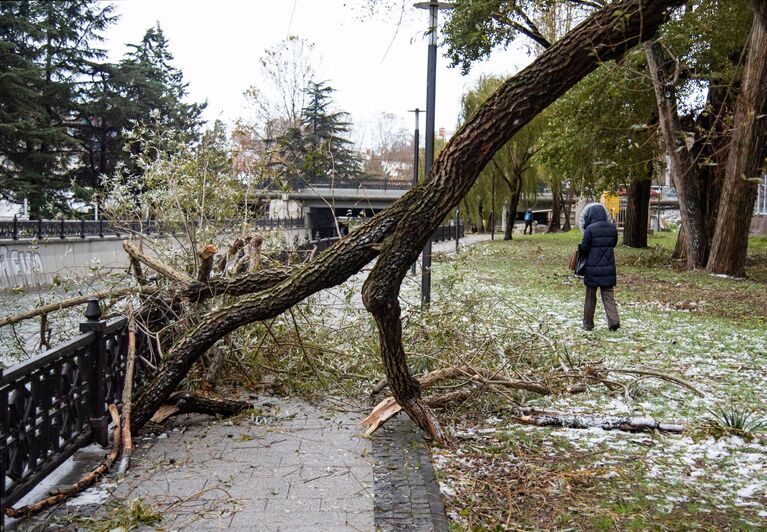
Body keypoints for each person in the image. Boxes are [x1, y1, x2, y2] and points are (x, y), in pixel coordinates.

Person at [578, 202, 620, 331]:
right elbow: (613, 244)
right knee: (608, 296)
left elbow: (584, 248)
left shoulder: (590, 229)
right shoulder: (612, 228)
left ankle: (588, 324)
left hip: (592, 268)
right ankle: (613, 321)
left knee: (590, 296)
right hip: (608, 267)